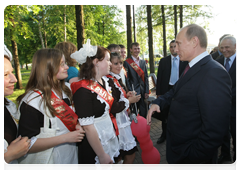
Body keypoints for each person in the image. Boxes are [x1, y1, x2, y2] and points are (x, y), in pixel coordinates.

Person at [147, 24, 232, 170]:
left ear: (194, 41)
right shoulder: (191, 67)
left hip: (192, 159)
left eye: (179, 43)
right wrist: (159, 102)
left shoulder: (213, 73)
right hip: (182, 151)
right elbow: (176, 91)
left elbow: (215, 128)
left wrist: (193, 157)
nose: (175, 49)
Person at [17, 48, 85, 170]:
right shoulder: (32, 101)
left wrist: (77, 125)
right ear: (47, 68)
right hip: (48, 162)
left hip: (70, 157)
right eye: (62, 64)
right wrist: (65, 138)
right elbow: (25, 144)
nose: (67, 67)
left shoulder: (66, 91)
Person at [70, 39, 120, 170]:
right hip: (94, 145)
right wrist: (101, 155)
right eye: (107, 60)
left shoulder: (103, 81)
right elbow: (87, 127)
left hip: (106, 134)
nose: (110, 63)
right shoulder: (83, 90)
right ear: (96, 62)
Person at [107, 52, 140, 170]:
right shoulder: (109, 80)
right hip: (117, 123)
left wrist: (127, 95)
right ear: (109, 64)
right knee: (126, 155)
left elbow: (119, 97)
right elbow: (113, 106)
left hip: (122, 120)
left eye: (120, 63)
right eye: (115, 63)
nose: (119, 66)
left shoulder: (115, 78)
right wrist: (129, 101)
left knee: (121, 157)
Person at [155, 40, 187, 144]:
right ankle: (164, 134)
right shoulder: (164, 61)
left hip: (179, 90)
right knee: (165, 114)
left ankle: (177, 134)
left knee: (179, 113)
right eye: (171, 47)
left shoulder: (184, 60)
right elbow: (159, 78)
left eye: (175, 46)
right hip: (166, 90)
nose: (173, 49)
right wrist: (159, 94)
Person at [4, 44, 31, 170]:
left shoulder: (8, 106)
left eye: (12, 73)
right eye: (5, 75)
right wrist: (7, 156)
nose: (14, 79)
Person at [216, 36, 238, 169]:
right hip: (221, 108)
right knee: (223, 134)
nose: (224, 50)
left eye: (227, 47)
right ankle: (225, 155)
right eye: (222, 47)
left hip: (236, 108)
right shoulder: (217, 62)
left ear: (236, 45)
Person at [124, 42, 149, 118]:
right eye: (135, 48)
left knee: (144, 112)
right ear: (131, 49)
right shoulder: (127, 62)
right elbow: (127, 79)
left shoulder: (143, 62)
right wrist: (130, 91)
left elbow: (146, 77)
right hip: (133, 91)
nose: (137, 50)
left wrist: (147, 91)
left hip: (142, 91)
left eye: (138, 48)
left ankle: (143, 128)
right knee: (133, 113)